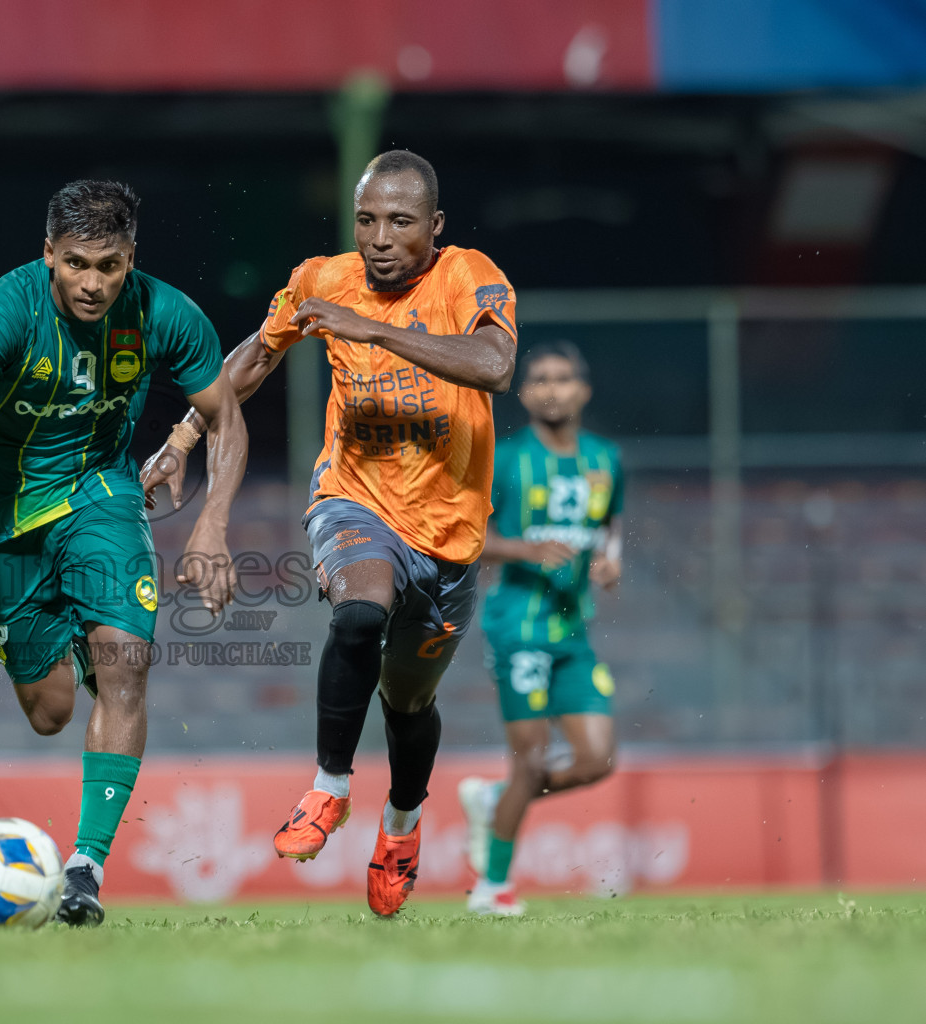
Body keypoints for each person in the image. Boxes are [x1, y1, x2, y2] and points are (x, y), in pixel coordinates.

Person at [142, 150, 517, 917]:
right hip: (354, 501)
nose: (379, 237)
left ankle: (401, 825)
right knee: (355, 612)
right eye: (366, 220)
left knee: (409, 704)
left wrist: (373, 333)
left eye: (401, 223)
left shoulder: (468, 275)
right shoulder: (321, 278)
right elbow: (251, 359)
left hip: (447, 537)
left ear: (435, 228)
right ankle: (328, 787)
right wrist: (181, 439)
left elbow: (494, 364)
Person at [0, 180, 247, 926]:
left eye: (108, 264)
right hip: (5, 523)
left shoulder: (164, 314)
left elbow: (223, 415)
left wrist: (212, 524)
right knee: (48, 712)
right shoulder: (3, 313)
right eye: (75, 264)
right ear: (48, 255)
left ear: (130, 257)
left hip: (101, 494)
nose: (93, 283)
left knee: (126, 664)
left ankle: (83, 869)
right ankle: (75, 633)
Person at [459, 340, 623, 916]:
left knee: (597, 760)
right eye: (541, 379)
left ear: (583, 390)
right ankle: (492, 888)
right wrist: (526, 549)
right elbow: (468, 538)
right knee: (530, 760)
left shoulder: (606, 459)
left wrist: (610, 559)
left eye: (563, 378)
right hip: (518, 628)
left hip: (573, 634)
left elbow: (610, 524)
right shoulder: (504, 459)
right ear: (525, 393)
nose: (552, 388)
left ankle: (496, 800)